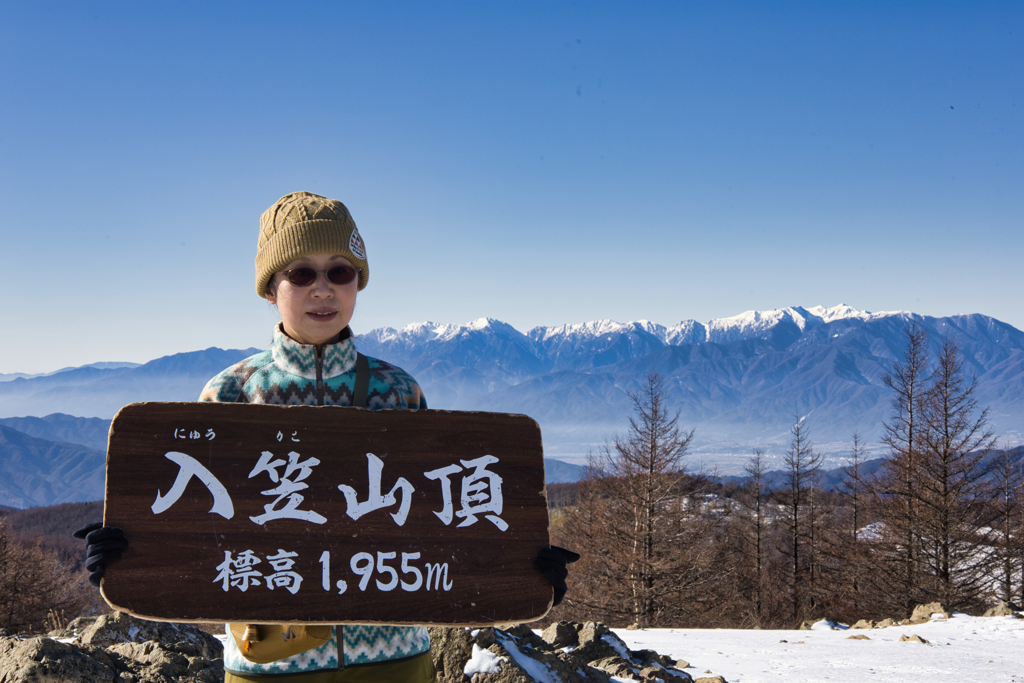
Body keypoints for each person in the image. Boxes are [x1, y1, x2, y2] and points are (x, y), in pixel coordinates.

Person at [76, 191, 578, 683]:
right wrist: (132, 555)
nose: (323, 288)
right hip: (268, 668)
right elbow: (194, 526)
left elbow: (443, 522)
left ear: (358, 283)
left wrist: (523, 567)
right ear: (270, 289)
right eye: (301, 273)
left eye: (340, 271)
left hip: (396, 660)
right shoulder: (231, 394)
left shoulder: (398, 390)